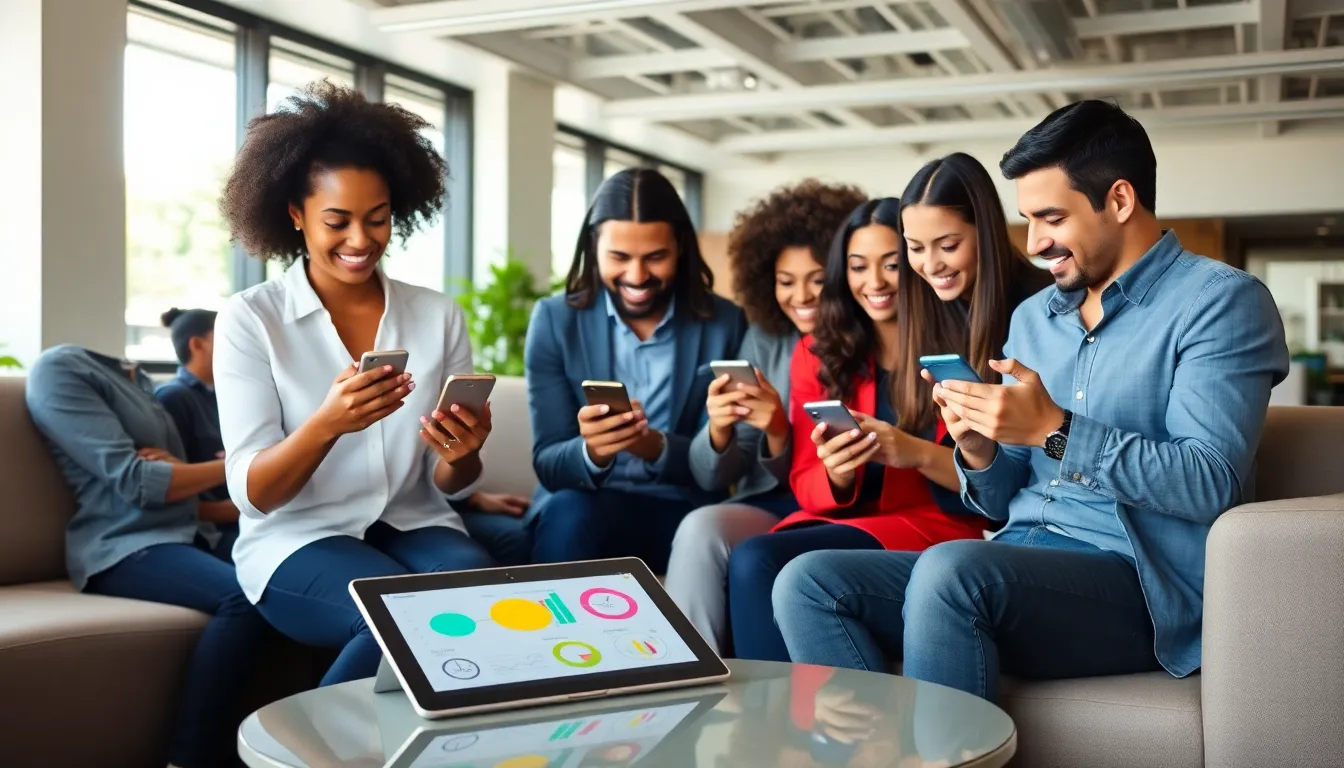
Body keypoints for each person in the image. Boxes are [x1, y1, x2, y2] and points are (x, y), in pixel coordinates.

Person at [772, 100, 1289, 702]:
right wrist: (978, 449)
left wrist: (1057, 429)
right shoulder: (1033, 319)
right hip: (1019, 558)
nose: (1036, 242)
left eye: (1051, 217)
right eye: (1028, 219)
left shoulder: (1222, 303)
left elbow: (1210, 482)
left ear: (1119, 201)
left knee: (952, 571)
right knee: (806, 581)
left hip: (1140, 584)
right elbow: (996, 501)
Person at [214, 81, 497, 687]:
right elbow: (254, 494)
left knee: (478, 591)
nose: (361, 241)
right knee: (391, 615)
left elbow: (452, 485)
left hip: (414, 521)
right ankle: (320, 752)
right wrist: (326, 425)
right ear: (295, 214)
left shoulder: (437, 315)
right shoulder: (251, 319)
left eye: (378, 219)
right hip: (296, 538)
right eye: (337, 221)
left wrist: (462, 455)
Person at [726, 197, 989, 662]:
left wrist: (913, 452)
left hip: (932, 525)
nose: (874, 282)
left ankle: (781, 718)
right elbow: (805, 481)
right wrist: (840, 474)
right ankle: (781, 719)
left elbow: (991, 486)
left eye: (890, 264)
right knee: (750, 558)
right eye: (857, 266)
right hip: (844, 521)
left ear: (912, 264)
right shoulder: (817, 352)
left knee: (758, 561)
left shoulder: (962, 347)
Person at [26, 344, 269, 768]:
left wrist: (183, 473)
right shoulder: (60, 368)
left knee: (288, 576)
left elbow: (172, 485)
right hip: (123, 545)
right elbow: (140, 483)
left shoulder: (139, 381)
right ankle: (188, 759)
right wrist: (239, 465)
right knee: (243, 596)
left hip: (190, 532)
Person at [663, 179, 867, 653]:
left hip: (842, 503)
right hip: (774, 501)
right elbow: (712, 475)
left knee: (753, 557)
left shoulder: (872, 338)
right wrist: (718, 430)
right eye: (785, 281)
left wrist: (779, 429)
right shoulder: (765, 337)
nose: (802, 297)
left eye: (818, 279)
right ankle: (684, 672)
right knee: (701, 526)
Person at [524, 167, 746, 572]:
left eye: (655, 257)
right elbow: (549, 462)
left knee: (706, 532)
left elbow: (719, 469)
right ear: (594, 247)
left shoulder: (724, 323)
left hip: (679, 507)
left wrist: (654, 446)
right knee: (569, 514)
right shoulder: (555, 320)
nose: (637, 276)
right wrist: (593, 450)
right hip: (585, 504)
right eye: (619, 257)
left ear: (679, 248)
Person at [154, 307, 239, 561]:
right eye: (228, 336)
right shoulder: (173, 397)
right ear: (197, 345)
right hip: (213, 531)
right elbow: (174, 486)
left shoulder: (226, 393)